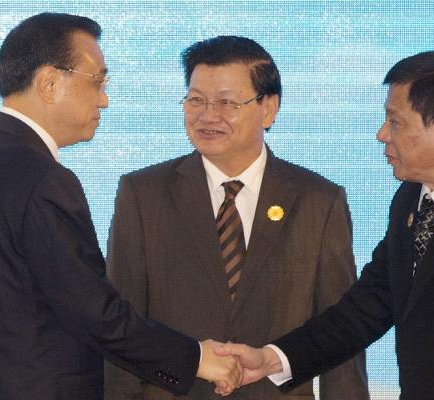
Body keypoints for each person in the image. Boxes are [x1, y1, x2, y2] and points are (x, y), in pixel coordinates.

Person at [0, 13, 241, 400]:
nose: (104, 99)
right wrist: (196, 358)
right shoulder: (42, 179)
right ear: (49, 82)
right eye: (98, 81)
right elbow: (95, 312)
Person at [219, 50, 434, 400]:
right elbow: (367, 307)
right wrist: (272, 359)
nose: (382, 134)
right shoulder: (411, 198)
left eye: (396, 122)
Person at [104, 35, 368, 400]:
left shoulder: (318, 201)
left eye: (226, 102)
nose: (207, 116)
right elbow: (122, 325)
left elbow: (342, 334)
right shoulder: (143, 193)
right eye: (196, 100)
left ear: (268, 108)